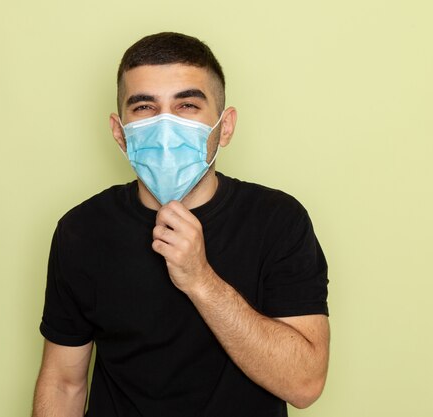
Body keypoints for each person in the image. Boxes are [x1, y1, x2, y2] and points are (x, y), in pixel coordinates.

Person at [32, 32, 330, 417]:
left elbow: (304, 384)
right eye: (144, 107)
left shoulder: (278, 221)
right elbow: (63, 383)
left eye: (187, 104)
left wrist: (200, 279)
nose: (166, 125)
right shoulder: (82, 229)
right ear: (120, 133)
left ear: (225, 127)